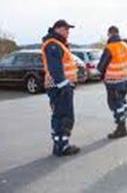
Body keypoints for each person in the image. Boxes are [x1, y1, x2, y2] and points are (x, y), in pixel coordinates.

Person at [41, 19, 80, 156]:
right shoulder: (53, 44)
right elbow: (55, 68)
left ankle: (59, 145)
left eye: (68, 30)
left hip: (59, 86)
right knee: (65, 116)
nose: (68, 32)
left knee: (58, 115)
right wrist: (65, 86)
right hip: (59, 87)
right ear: (57, 29)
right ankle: (62, 146)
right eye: (66, 29)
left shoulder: (57, 44)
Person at [97, 26, 127, 139]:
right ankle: (124, 122)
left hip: (113, 81)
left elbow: (101, 66)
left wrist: (101, 73)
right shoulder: (125, 46)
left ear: (110, 34)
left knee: (115, 105)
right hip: (125, 79)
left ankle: (121, 129)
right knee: (121, 102)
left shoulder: (110, 47)